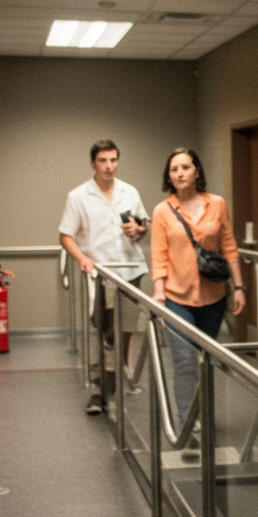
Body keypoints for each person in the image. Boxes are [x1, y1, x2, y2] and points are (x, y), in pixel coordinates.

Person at [151, 148, 246, 426]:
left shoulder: (216, 204)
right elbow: (158, 254)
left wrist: (239, 287)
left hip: (213, 297)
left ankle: (202, 414)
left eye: (185, 167)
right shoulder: (162, 211)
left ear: (197, 171)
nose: (180, 173)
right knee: (183, 361)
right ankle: (186, 423)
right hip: (176, 297)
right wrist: (158, 292)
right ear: (169, 176)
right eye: (174, 169)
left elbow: (229, 246)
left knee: (205, 360)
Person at [59, 139, 148, 414]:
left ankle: (117, 376)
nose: (109, 166)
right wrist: (83, 259)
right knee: (105, 333)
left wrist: (137, 230)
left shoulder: (129, 192)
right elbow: (66, 236)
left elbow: (143, 225)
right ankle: (100, 391)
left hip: (131, 270)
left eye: (113, 160)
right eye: (103, 161)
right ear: (92, 163)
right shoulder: (78, 196)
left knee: (125, 331)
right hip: (101, 274)